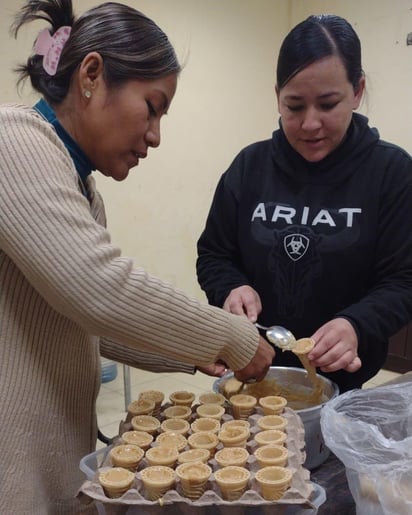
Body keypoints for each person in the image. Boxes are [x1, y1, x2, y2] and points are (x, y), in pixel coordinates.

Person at [0, 1, 275, 513]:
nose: (154, 135)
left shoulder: (80, 185)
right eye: (152, 106)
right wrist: (233, 337)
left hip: (52, 456)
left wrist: (192, 352)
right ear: (92, 74)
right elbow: (99, 290)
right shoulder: (13, 142)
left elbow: (82, 321)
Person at [197, 14, 412, 395]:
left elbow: (403, 280)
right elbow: (214, 254)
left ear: (358, 91)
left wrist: (356, 325)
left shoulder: (392, 173)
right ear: (276, 95)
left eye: (328, 104)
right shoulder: (250, 166)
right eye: (294, 106)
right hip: (251, 374)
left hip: (342, 389)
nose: (310, 124)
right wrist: (231, 287)